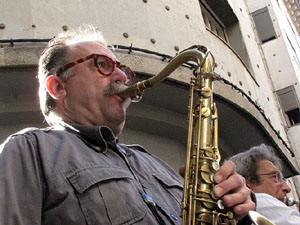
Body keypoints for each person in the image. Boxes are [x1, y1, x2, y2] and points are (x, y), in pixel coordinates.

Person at [0, 24, 255, 225]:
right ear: (58, 87)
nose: (122, 76)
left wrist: (236, 212)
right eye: (102, 65)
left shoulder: (154, 163)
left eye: (122, 69)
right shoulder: (28, 150)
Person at [229, 144, 300, 225]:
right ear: (247, 182)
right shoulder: (260, 199)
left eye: (284, 180)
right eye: (275, 177)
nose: (287, 188)